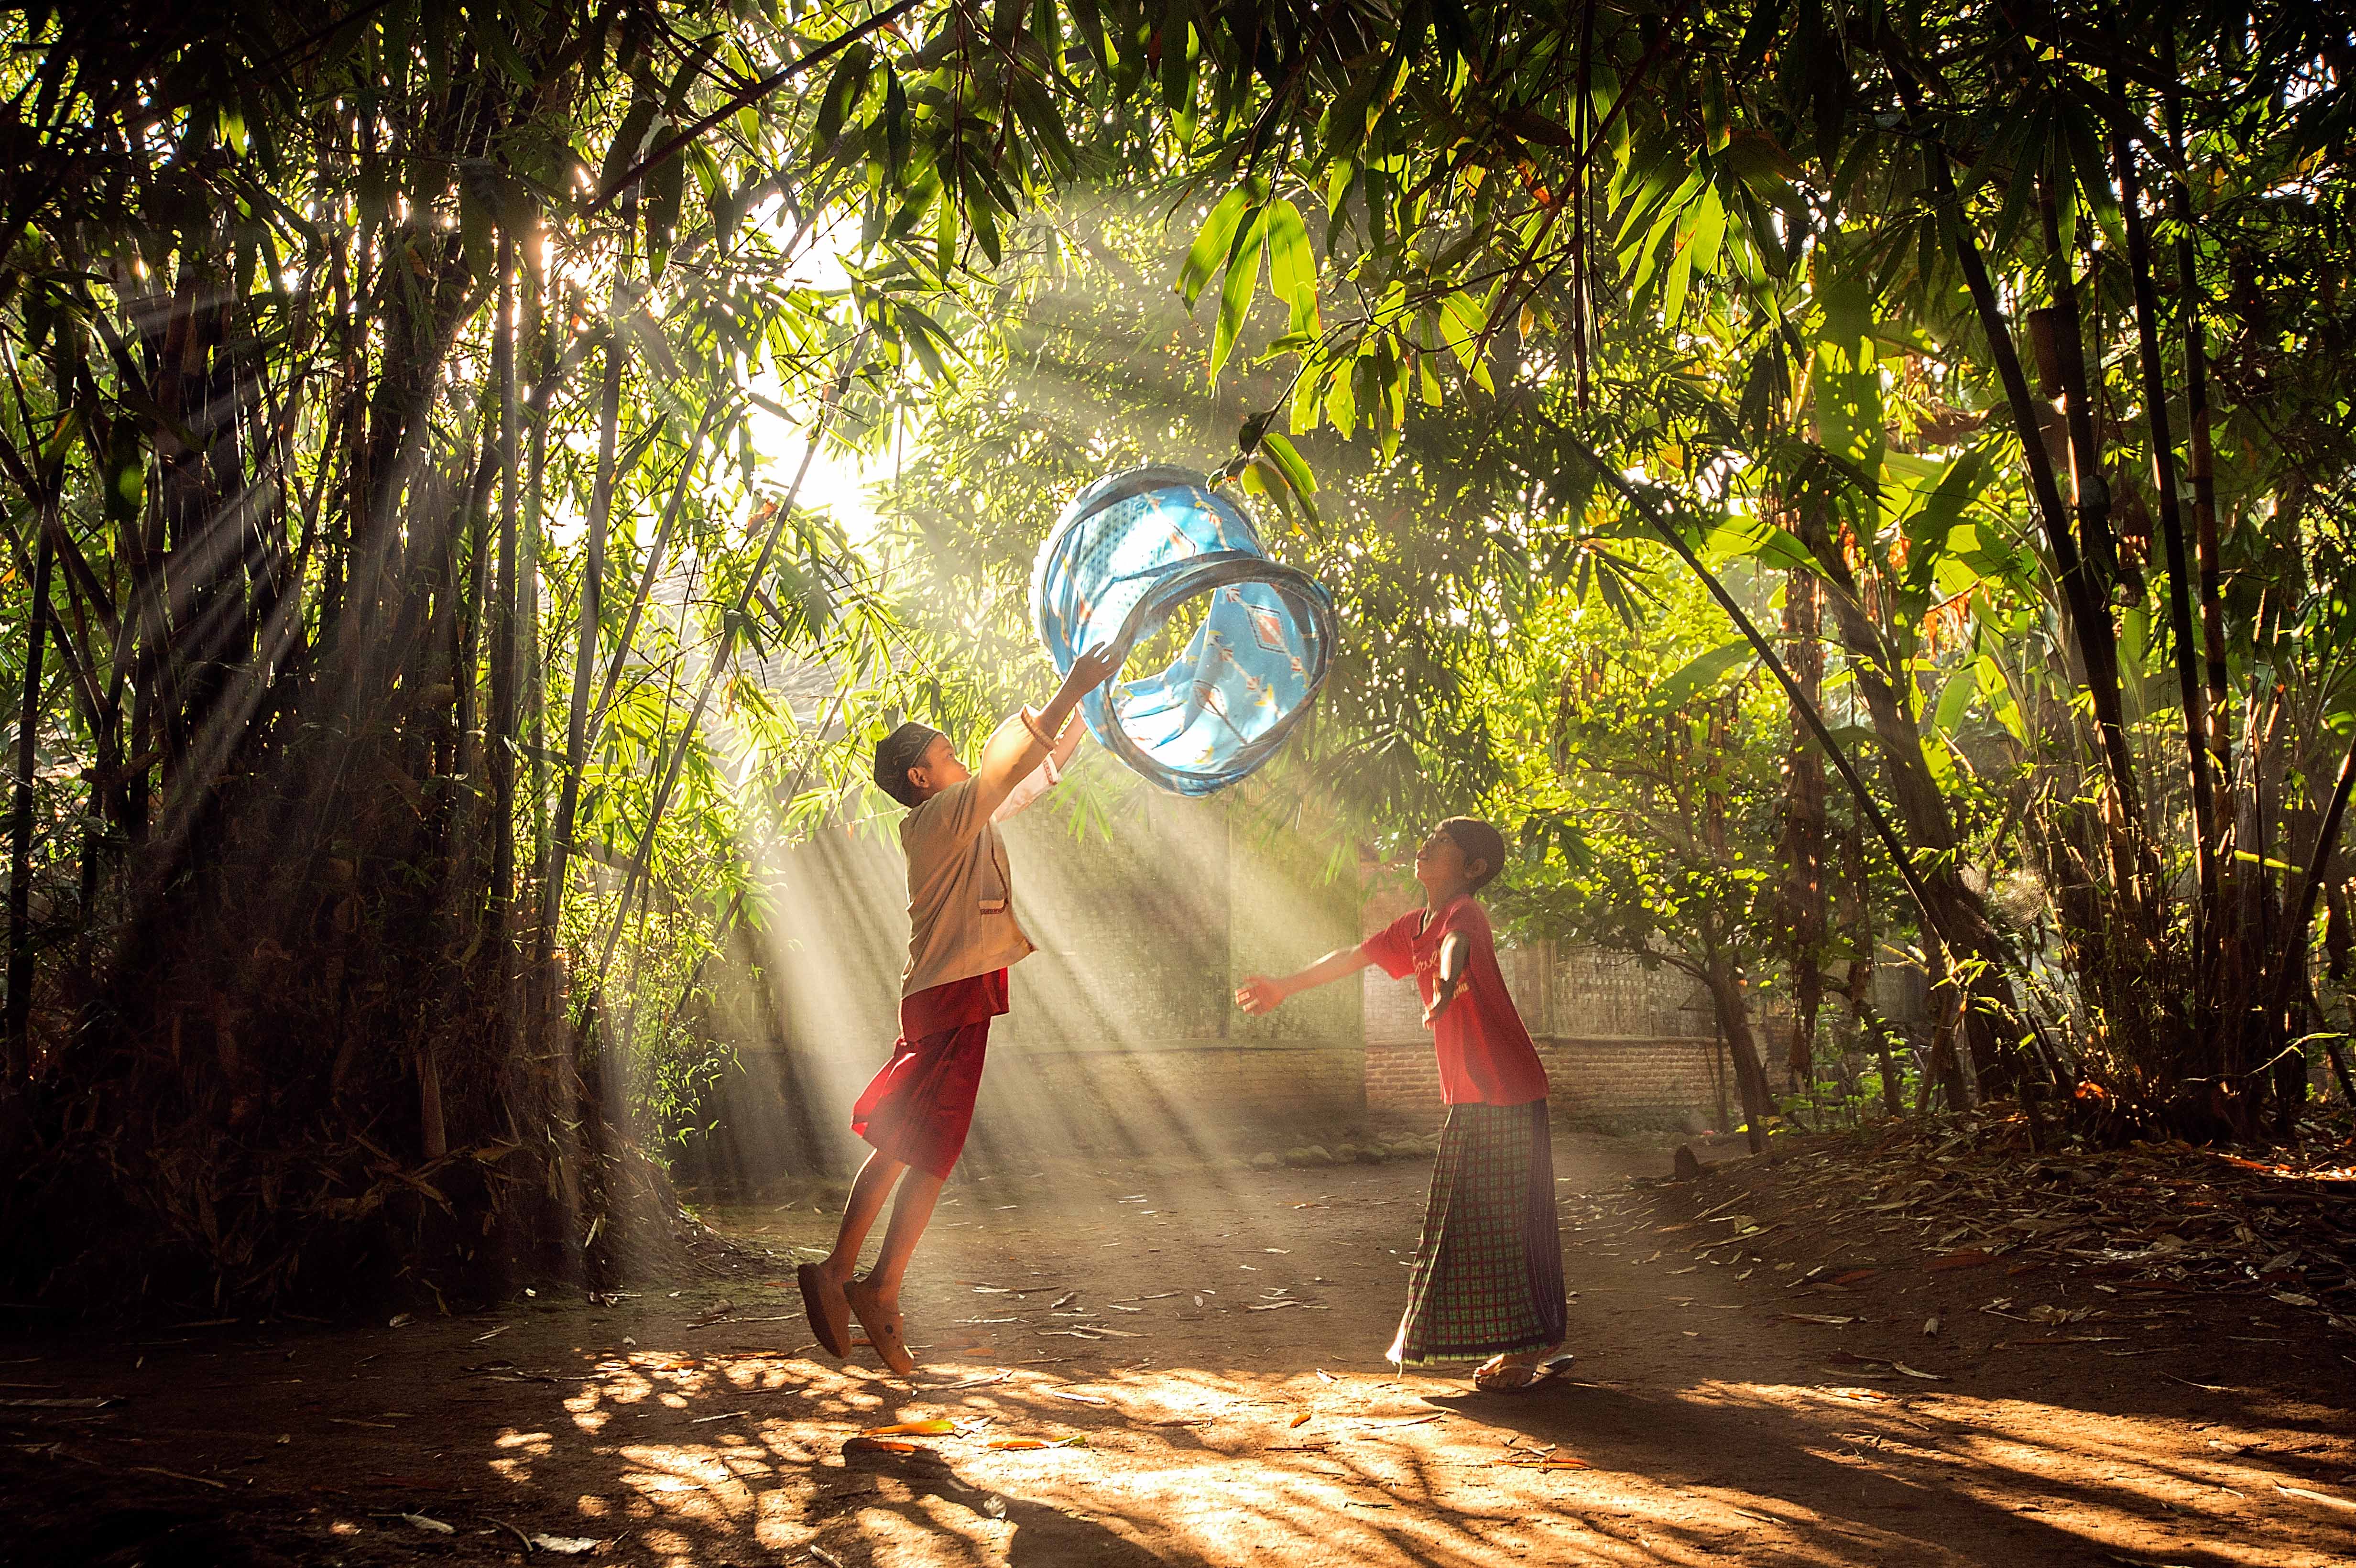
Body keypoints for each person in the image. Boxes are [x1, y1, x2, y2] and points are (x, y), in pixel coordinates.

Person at [798, 644, 1122, 1375]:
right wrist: (1073, 685)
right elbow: (1008, 768)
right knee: (930, 1151)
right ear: (922, 777)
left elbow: (1028, 778)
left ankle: (859, 1277)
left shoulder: (958, 815)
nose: (959, 762)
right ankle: (868, 1283)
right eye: (948, 754)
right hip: (949, 993)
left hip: (948, 991)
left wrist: (1092, 713)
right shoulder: (942, 816)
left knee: (910, 1142)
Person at [1235, 817, 1571, 1391]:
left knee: (1512, 1222)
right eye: (1430, 836)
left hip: (1508, 1090)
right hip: (1472, 1096)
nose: (1427, 844)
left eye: (1444, 842)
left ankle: (1529, 1349)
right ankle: (1519, 1345)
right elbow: (1353, 954)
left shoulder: (1462, 913)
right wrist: (1284, 986)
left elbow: (1456, 950)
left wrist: (1444, 987)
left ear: (1473, 869)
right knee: (1464, 1221)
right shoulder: (1412, 926)